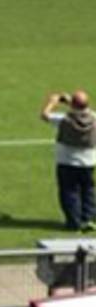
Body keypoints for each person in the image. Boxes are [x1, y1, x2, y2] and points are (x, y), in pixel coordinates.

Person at [40, 90, 96, 231]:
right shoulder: (94, 118)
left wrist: (52, 102)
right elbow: (85, 110)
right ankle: (88, 218)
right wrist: (71, 101)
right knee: (88, 191)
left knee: (69, 192)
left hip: (67, 161)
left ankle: (73, 222)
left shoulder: (64, 119)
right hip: (88, 162)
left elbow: (45, 115)